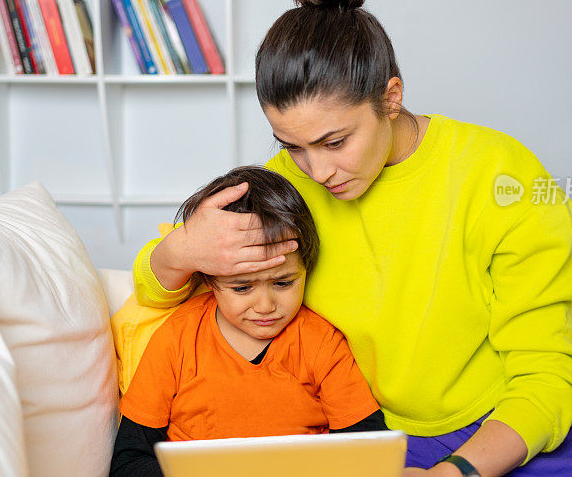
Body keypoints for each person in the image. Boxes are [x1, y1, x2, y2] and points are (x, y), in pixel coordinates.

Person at [131, 0, 572, 476]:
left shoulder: (500, 174)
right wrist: (181, 250)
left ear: (391, 96)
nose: (317, 170)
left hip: (512, 427)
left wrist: (459, 471)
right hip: (370, 436)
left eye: (335, 142)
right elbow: (156, 291)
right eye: (293, 146)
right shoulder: (287, 186)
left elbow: (547, 375)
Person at [110, 166, 387, 477]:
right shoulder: (176, 339)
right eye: (242, 287)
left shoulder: (320, 341)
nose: (266, 306)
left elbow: (367, 448)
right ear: (209, 279)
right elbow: (129, 461)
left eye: (283, 283)